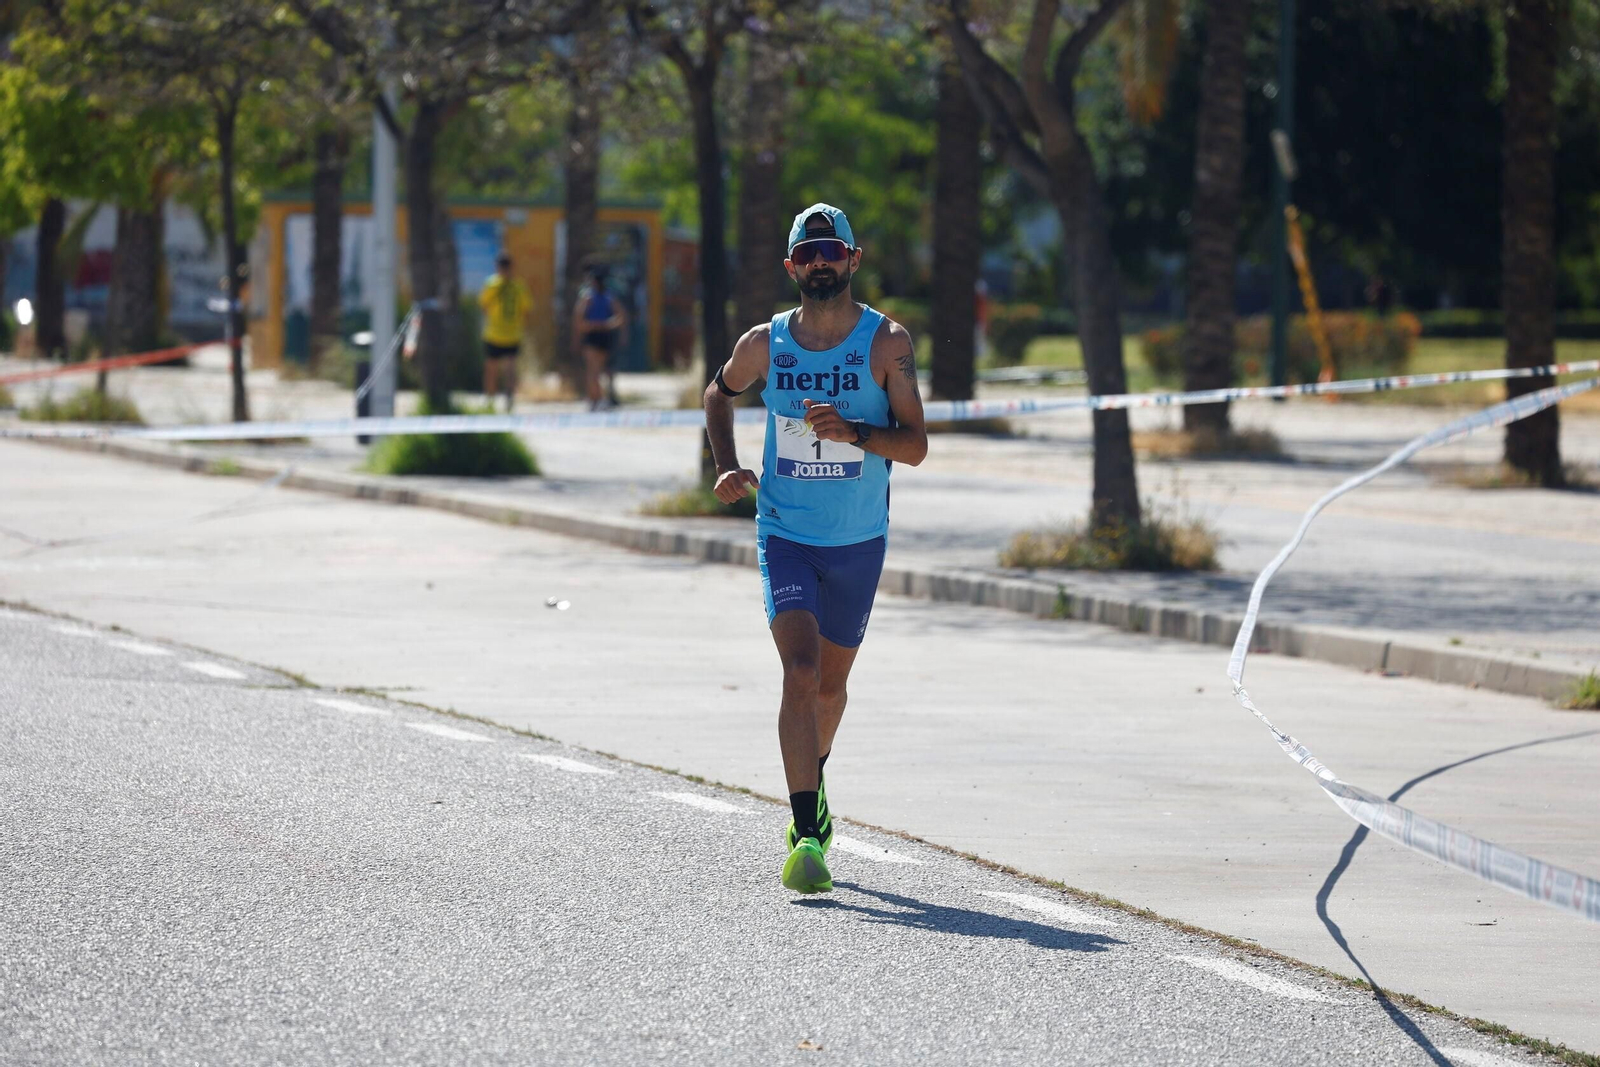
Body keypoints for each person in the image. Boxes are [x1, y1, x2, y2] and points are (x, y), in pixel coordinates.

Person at [703, 203, 928, 895]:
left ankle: (814, 780)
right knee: (800, 671)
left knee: (830, 686)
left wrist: (854, 432)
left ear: (854, 260)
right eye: (808, 254)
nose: (821, 263)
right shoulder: (765, 344)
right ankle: (806, 834)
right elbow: (717, 392)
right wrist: (727, 465)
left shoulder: (886, 343)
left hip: (858, 540)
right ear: (791, 267)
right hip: (787, 533)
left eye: (832, 252)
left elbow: (915, 446)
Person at [479, 252, 531, 412]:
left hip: (498, 333)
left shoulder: (492, 284)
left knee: (498, 369)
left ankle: (498, 399)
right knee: (504, 369)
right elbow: (525, 310)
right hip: (506, 333)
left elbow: (484, 306)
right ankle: (500, 399)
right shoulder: (518, 286)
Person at [573, 261, 626, 411]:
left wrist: (594, 326)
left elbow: (578, 318)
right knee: (597, 370)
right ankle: (595, 398)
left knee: (593, 371)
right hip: (601, 335)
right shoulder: (606, 297)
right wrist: (608, 324)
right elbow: (621, 316)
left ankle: (596, 399)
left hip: (595, 335)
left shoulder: (589, 297)